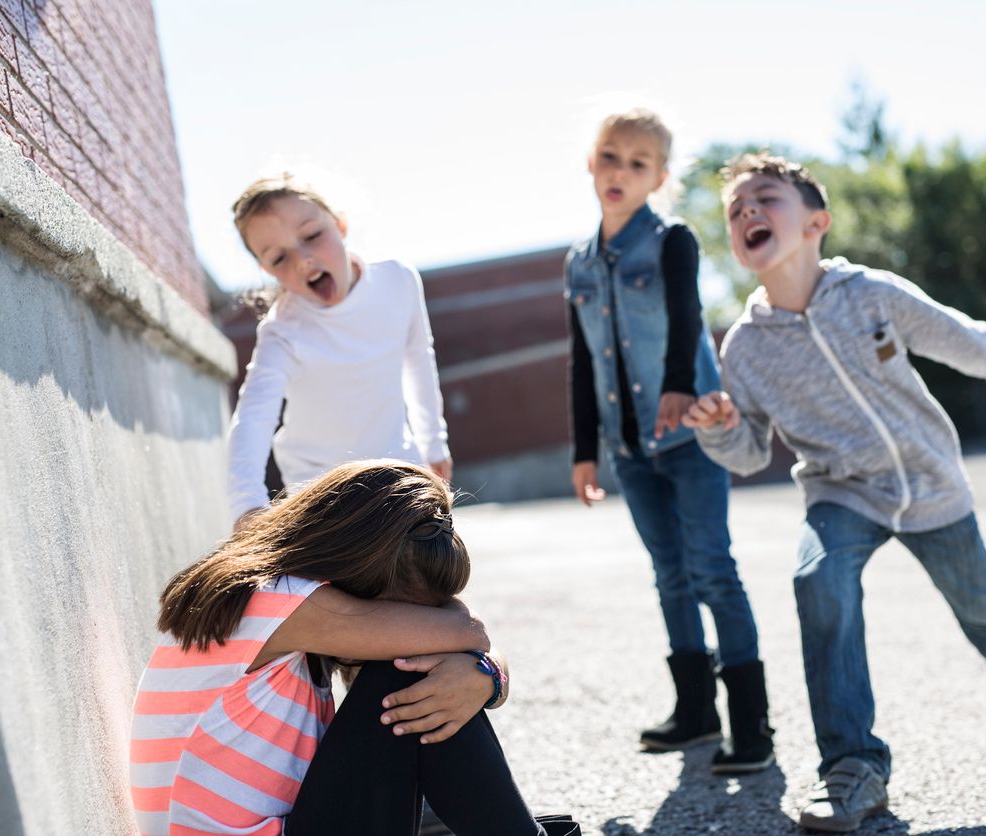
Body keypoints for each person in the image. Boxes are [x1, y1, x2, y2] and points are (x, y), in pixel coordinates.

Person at [684, 152, 986, 832]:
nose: (747, 211)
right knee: (818, 578)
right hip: (842, 493)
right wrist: (718, 429)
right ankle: (852, 769)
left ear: (816, 223)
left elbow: (962, 338)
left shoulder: (871, 295)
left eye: (765, 198)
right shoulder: (743, 348)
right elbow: (746, 453)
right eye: (735, 207)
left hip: (929, 481)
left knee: (981, 604)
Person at [130, 460, 578, 835]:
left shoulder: (280, 600)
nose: (415, 626)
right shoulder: (275, 599)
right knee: (408, 673)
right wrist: (480, 665)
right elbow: (469, 631)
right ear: (358, 568)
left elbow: (468, 639)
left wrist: (485, 677)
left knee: (429, 687)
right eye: (407, 613)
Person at [565, 109, 774, 773]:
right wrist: (583, 451)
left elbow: (688, 316)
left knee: (712, 568)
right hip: (629, 450)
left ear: (659, 177)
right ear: (590, 163)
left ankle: (752, 727)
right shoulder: (578, 262)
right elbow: (581, 358)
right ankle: (695, 714)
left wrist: (681, 389)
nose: (620, 171)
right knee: (669, 576)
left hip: (690, 439)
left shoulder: (672, 240)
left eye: (637, 162)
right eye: (609, 156)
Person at [227, 174, 452, 532]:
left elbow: (418, 360)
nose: (303, 261)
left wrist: (433, 442)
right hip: (319, 490)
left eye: (312, 236)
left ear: (340, 224)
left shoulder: (398, 281)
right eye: (279, 257)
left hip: (398, 469)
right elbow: (253, 417)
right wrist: (247, 504)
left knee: (429, 570)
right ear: (266, 270)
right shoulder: (282, 331)